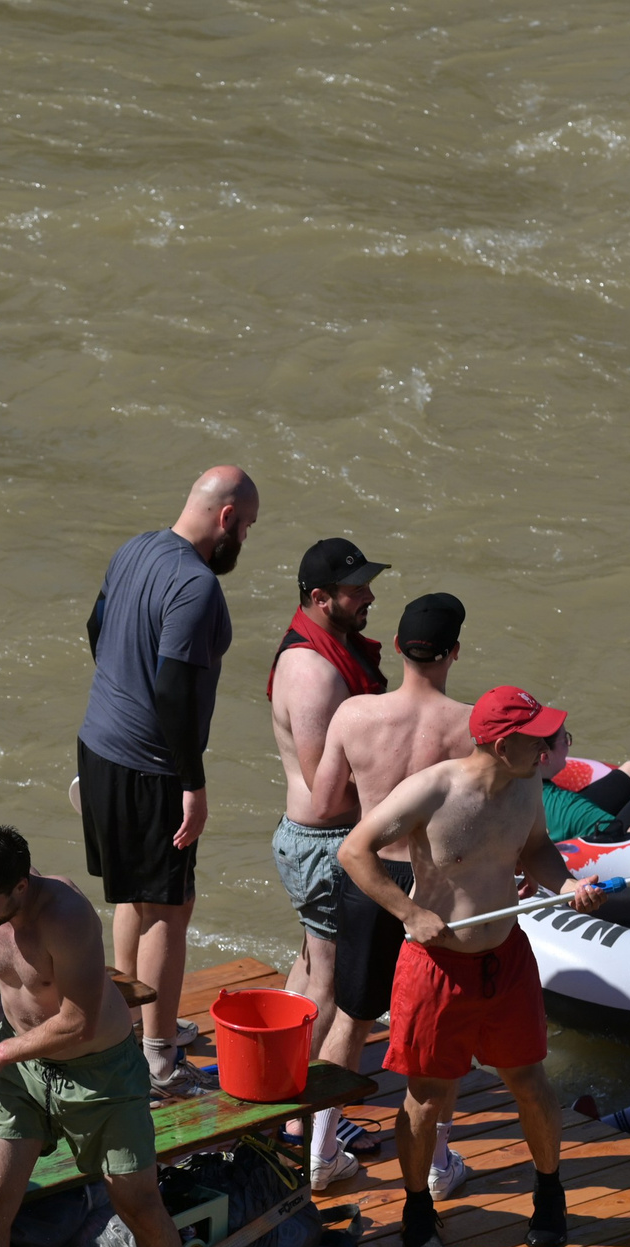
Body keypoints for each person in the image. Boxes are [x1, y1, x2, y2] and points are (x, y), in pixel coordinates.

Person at [0, 825, 236, 1247]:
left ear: (21, 887)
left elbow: (76, 1021)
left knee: (139, 1205)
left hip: (99, 1073)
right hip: (21, 1069)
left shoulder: (68, 916)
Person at [338, 686, 607, 1247]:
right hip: (435, 967)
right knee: (428, 1098)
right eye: (539, 739)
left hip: (505, 959)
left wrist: (566, 887)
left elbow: (536, 849)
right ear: (504, 743)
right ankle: (417, 1209)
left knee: (531, 1085)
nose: (551, 747)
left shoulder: (529, 783)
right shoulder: (433, 789)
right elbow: (354, 851)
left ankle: (550, 1193)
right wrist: (410, 912)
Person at [76, 466, 257, 1095]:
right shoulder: (196, 584)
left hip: (99, 744)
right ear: (228, 518)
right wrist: (193, 781)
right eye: (248, 528)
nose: (245, 542)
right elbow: (174, 688)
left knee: (135, 895)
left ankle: (127, 1027)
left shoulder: (136, 548)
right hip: (152, 767)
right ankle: (158, 1062)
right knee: (170, 909)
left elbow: (97, 629)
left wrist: (119, 696)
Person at [306, 592, 476, 1194]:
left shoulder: (354, 715)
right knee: (438, 1029)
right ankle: (437, 1165)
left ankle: (320, 1154)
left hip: (368, 876)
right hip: (434, 888)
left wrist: (377, 798)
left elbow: (325, 804)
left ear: (399, 647)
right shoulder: (470, 725)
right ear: (454, 651)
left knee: (350, 1020)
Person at [265, 537, 388, 1179]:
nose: (369, 596)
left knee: (310, 972)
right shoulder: (313, 673)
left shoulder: (327, 653)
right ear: (319, 598)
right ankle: (305, 1121)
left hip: (322, 842)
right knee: (332, 990)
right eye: (356, 588)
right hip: (323, 847)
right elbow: (326, 787)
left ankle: (277, 1096)